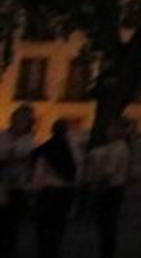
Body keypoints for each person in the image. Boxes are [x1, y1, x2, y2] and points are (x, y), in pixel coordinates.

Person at [31, 119, 79, 258]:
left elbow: (37, 170)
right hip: (62, 191)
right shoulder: (71, 148)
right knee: (57, 227)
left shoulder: (45, 147)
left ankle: (45, 252)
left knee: (43, 228)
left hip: (48, 191)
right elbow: (75, 172)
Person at [86, 120, 131, 258]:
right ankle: (106, 251)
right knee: (107, 225)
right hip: (113, 188)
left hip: (110, 189)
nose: (107, 132)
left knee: (107, 224)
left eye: (110, 129)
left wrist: (97, 184)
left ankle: (106, 253)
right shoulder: (115, 147)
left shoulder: (117, 148)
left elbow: (108, 171)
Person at [0, 104, 36, 258]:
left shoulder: (29, 139)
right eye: (18, 119)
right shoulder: (2, 135)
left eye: (25, 120)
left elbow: (29, 159)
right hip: (1, 185)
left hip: (18, 187)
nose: (20, 123)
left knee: (12, 224)